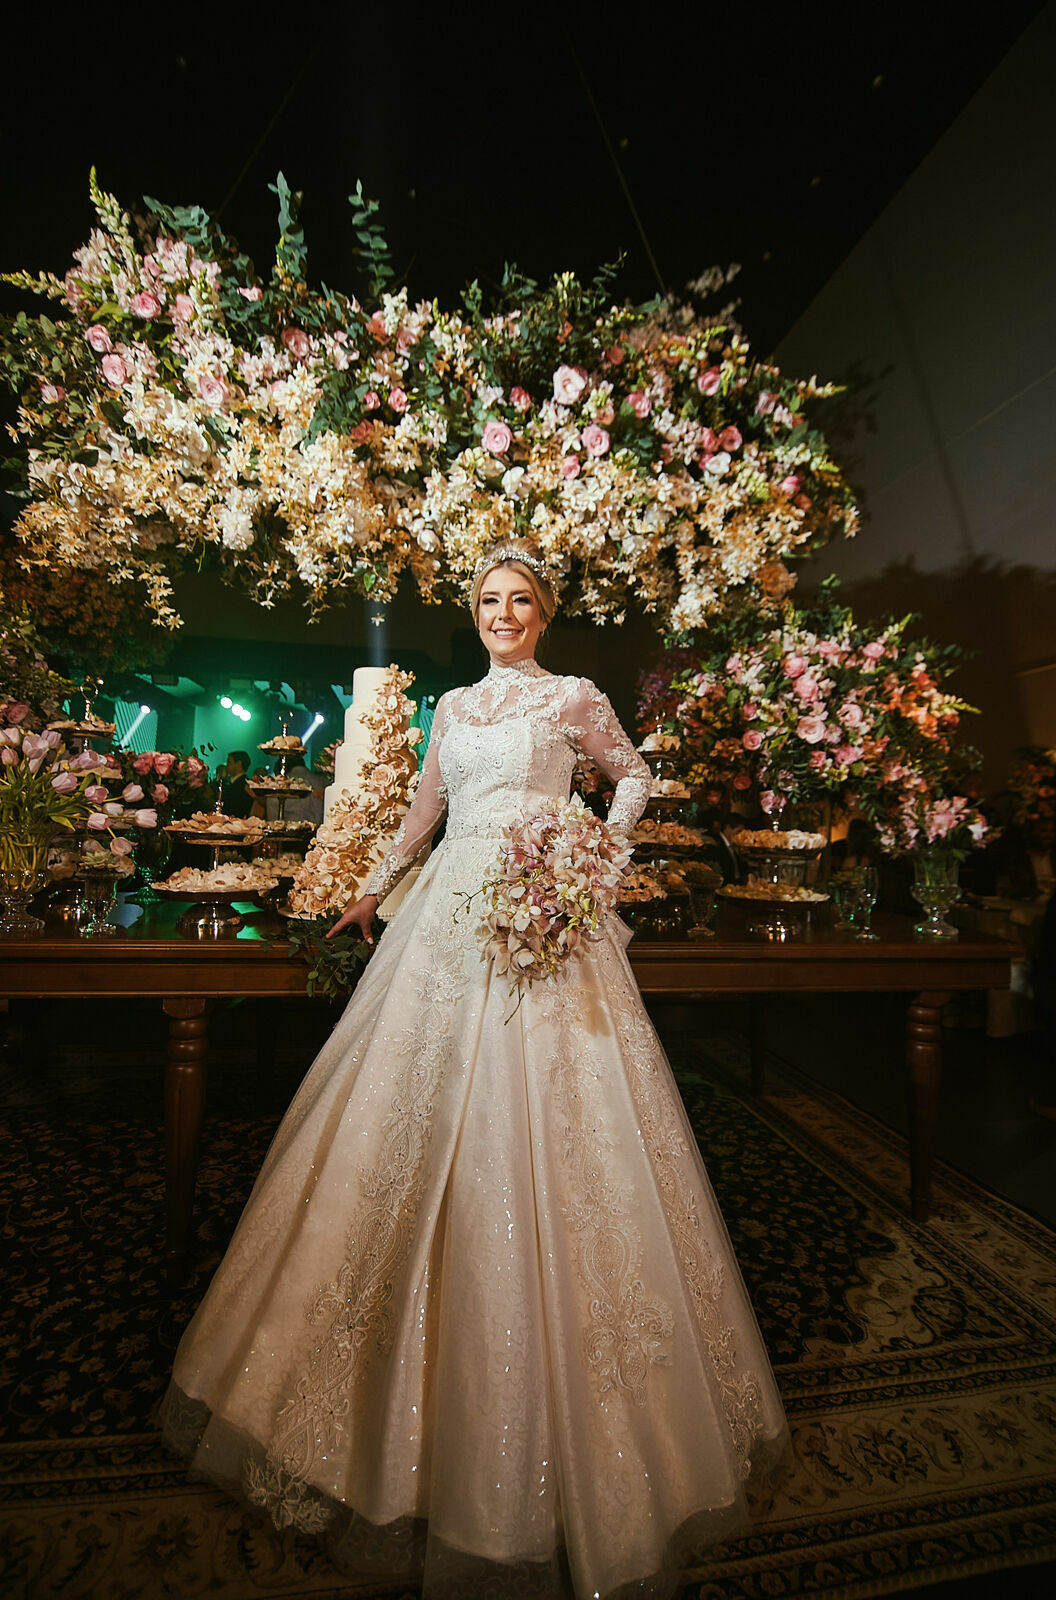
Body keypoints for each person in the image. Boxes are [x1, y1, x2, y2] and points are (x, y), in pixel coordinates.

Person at [161, 539, 789, 1599]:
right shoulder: (452, 710)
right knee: (400, 1111)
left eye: (520, 599)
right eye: (489, 601)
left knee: (567, 1117)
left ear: (544, 610)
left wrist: (596, 848)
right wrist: (373, 884)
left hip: (552, 914)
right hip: (451, 917)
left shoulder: (575, 696)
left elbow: (634, 776)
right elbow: (424, 810)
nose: (504, 613)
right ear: (478, 612)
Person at [220, 748, 254, 818]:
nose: (226, 766)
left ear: (238, 764)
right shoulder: (243, 782)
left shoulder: (241, 785)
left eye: (229, 762)